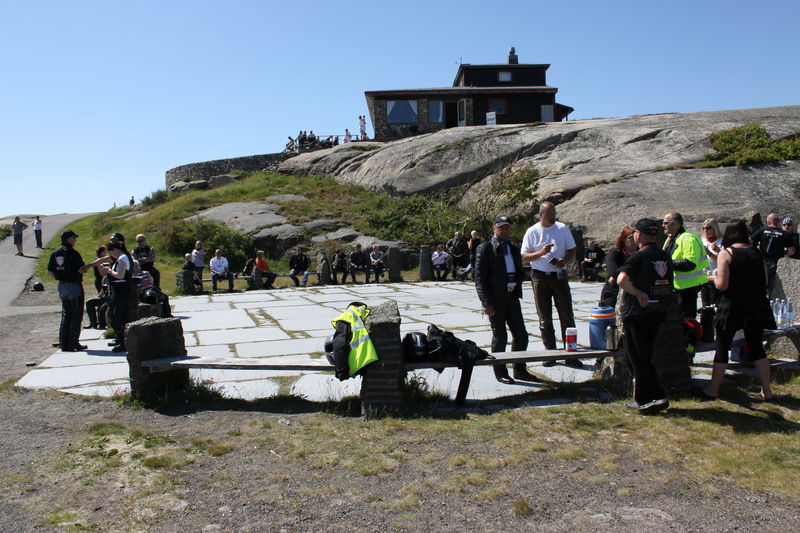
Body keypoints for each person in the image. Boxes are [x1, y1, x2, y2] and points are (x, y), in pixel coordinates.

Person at [702, 220, 773, 400]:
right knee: (757, 347)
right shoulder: (757, 253)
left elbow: (722, 285)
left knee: (722, 346)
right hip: (755, 305)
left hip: (731, 305)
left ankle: (713, 389)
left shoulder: (727, 253)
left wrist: (712, 278)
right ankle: (767, 390)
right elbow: (764, 282)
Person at [616, 218, 675, 415]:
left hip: (638, 313)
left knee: (637, 357)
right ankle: (655, 395)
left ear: (639, 235)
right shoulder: (664, 256)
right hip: (657, 312)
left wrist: (638, 293)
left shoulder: (638, 257)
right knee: (647, 356)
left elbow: (621, 280)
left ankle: (647, 399)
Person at [475, 215, 535, 384]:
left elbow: (515, 271)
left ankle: (519, 369)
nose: (505, 230)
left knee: (521, 335)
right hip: (495, 299)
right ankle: (500, 371)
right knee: (500, 336)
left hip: (512, 297)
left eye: (507, 227)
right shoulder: (485, 248)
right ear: (494, 228)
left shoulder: (514, 248)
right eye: (501, 227)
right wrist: (486, 302)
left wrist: (524, 274)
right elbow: (480, 279)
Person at [520, 201, 581, 368]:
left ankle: (570, 354)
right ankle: (550, 353)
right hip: (539, 277)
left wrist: (565, 261)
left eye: (554, 213)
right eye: (549, 214)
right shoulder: (532, 231)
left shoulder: (562, 228)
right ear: (541, 215)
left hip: (559, 276)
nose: (553, 217)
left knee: (566, 315)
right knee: (544, 317)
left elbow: (571, 250)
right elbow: (524, 257)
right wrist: (541, 253)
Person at [662, 211, 708, 319]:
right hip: (676, 288)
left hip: (688, 288)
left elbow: (690, 263)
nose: (663, 225)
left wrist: (668, 264)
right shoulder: (670, 239)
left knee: (687, 322)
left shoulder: (689, 239)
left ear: (677, 224)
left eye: (666, 223)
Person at [46, 230, 87, 351]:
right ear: (68, 239)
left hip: (62, 285)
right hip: (74, 285)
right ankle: (73, 342)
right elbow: (82, 269)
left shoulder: (55, 253)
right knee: (76, 314)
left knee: (66, 314)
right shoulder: (73, 253)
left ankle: (64, 343)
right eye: (74, 238)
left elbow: (49, 272)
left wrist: (62, 276)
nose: (75, 240)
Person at [99, 241, 132, 352]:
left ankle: (123, 343)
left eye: (110, 252)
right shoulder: (123, 257)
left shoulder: (122, 258)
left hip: (121, 291)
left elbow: (120, 275)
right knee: (118, 316)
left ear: (114, 250)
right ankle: (122, 341)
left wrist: (109, 271)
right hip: (120, 291)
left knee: (117, 317)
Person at [751, 212, 795, 296]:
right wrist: (784, 253)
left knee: (760, 285)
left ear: (768, 222)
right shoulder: (785, 234)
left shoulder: (763, 230)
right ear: (778, 222)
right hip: (776, 263)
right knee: (774, 287)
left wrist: (756, 249)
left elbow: (750, 240)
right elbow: (792, 251)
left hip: (762, 262)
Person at [598, 226, 636, 308]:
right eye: (631, 237)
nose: (634, 240)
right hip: (614, 292)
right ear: (624, 239)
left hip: (634, 292)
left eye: (636, 237)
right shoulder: (614, 253)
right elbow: (613, 273)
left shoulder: (640, 252)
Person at [700, 218, 723, 307]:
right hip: (704, 278)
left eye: (708, 228)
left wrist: (709, 253)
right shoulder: (701, 241)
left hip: (716, 278)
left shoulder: (722, 242)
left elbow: (722, 261)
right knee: (705, 306)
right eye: (703, 228)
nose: (706, 230)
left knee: (715, 306)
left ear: (715, 228)